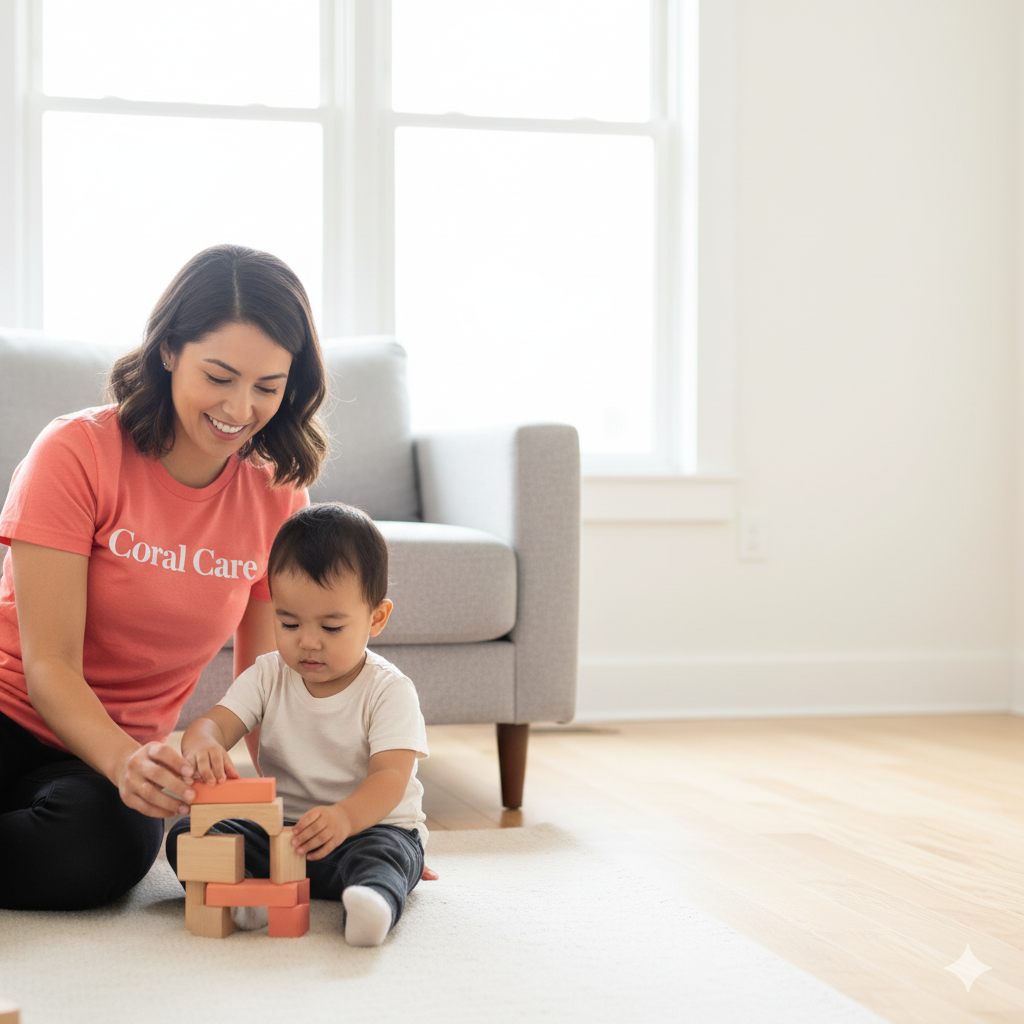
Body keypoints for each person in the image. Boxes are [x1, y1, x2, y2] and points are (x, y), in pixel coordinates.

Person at [0, 244, 328, 910]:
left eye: (268, 386)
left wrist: (324, 821)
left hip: (99, 758)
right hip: (12, 714)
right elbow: (51, 667)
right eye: (221, 375)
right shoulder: (78, 452)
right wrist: (124, 759)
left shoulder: (277, 495)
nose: (241, 407)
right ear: (170, 349)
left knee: (101, 851)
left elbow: (264, 681)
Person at [167, 502, 428, 947]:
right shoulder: (269, 674)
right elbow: (211, 725)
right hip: (284, 835)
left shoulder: (388, 690)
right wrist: (203, 745)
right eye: (288, 622)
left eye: (331, 627)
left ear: (376, 618)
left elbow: (390, 778)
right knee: (187, 834)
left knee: (389, 853)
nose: (307, 641)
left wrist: (345, 818)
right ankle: (245, 891)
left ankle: (373, 903)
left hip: (367, 829)